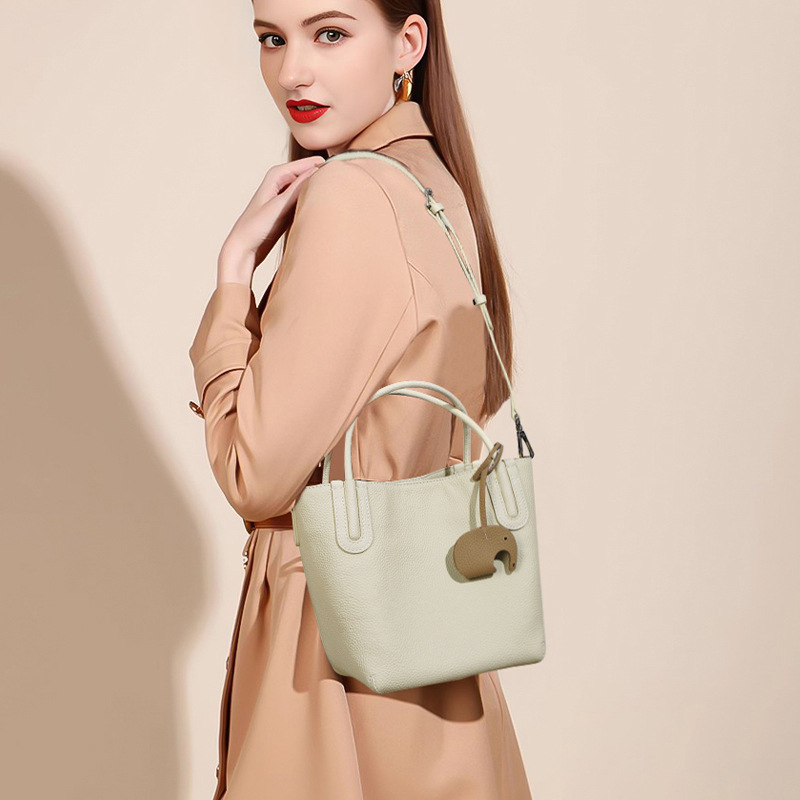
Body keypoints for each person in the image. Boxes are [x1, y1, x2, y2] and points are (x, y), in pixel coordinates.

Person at [188, 1, 533, 797]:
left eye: (330, 33)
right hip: (434, 660)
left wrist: (234, 276)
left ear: (408, 42)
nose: (292, 71)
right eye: (271, 39)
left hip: (333, 668)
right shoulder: (435, 184)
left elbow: (253, 472)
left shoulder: (351, 196)